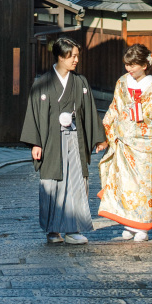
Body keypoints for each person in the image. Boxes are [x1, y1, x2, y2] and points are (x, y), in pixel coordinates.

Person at [20, 37, 107, 245]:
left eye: (77, 56)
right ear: (60, 56)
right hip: (50, 141)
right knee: (52, 184)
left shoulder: (80, 82)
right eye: (72, 56)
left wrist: (98, 138)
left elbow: (90, 111)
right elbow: (33, 114)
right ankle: (53, 231)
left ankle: (73, 230)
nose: (76, 60)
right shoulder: (42, 83)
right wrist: (35, 143)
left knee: (77, 182)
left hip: (75, 138)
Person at [97, 43, 152, 242]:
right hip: (125, 141)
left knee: (143, 186)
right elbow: (114, 108)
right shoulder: (122, 83)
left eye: (133, 65)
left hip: (146, 144)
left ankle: (142, 226)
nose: (129, 69)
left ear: (144, 65)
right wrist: (103, 135)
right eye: (127, 65)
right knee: (125, 185)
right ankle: (129, 224)